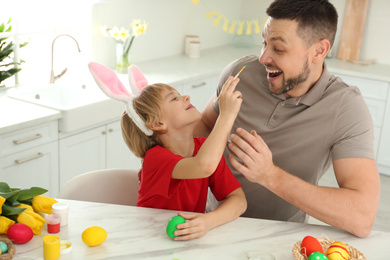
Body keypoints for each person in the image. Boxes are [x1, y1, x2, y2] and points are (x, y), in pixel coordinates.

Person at [195, 0, 380, 238]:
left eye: (278, 49)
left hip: (279, 237)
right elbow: (204, 125)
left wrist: (270, 175)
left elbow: (362, 217)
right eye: (264, 43)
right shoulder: (240, 72)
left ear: (319, 51)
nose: (263, 58)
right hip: (208, 222)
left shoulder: (346, 107)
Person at [88, 61, 246, 241]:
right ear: (157, 124)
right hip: (147, 241)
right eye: (174, 98)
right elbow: (203, 166)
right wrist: (226, 115)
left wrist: (208, 221)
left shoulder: (203, 148)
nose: (186, 96)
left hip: (185, 241)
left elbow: (239, 200)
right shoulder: (155, 158)